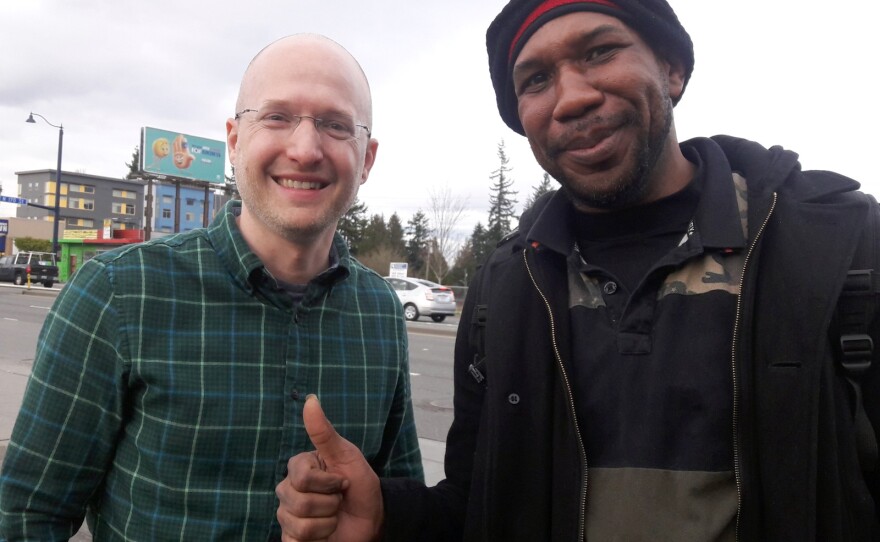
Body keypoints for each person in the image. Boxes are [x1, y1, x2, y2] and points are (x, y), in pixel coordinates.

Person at [276, 1, 880, 540]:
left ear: (672, 69)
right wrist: (384, 514)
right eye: (536, 79)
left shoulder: (840, 250)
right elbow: (476, 504)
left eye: (600, 51)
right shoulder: (504, 288)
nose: (572, 97)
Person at [0, 34, 423, 541]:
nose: (305, 149)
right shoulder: (117, 292)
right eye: (277, 116)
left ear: (367, 158)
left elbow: (401, 499)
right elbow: (25, 515)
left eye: (335, 125)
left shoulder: (379, 310)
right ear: (234, 139)